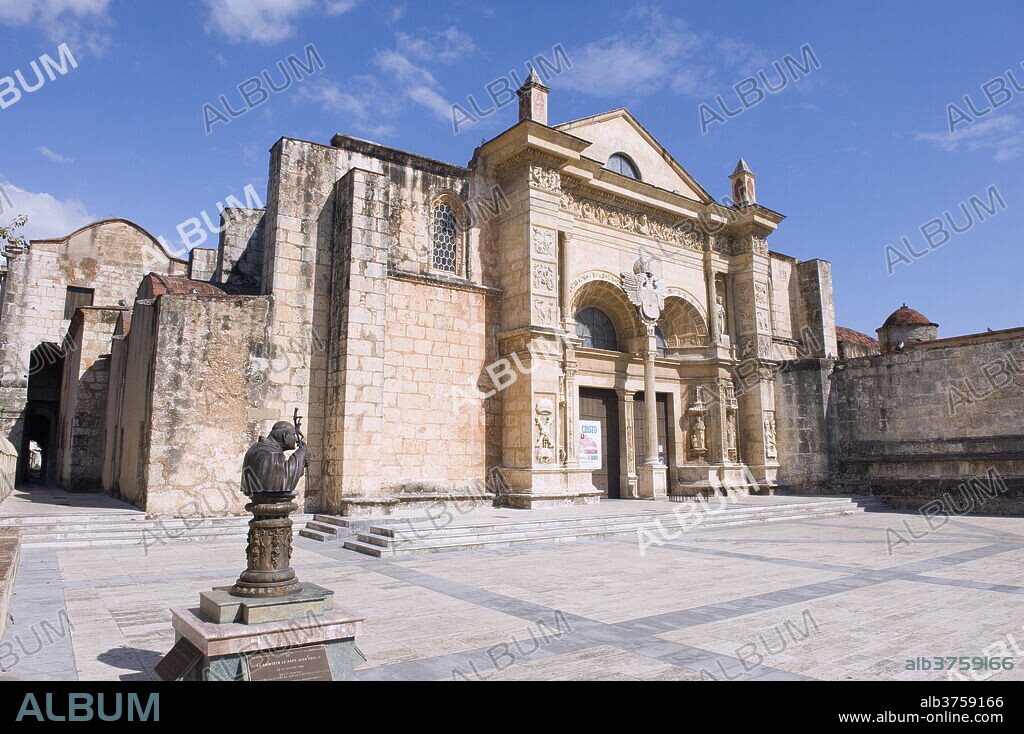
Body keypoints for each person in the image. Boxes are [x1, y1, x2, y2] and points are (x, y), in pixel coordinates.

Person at [240, 420, 309, 496]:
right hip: (268, 501)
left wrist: (302, 463)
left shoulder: (256, 448)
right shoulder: (269, 453)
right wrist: (302, 452)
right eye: (293, 435)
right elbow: (286, 477)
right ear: (285, 435)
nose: (296, 439)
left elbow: (279, 470)